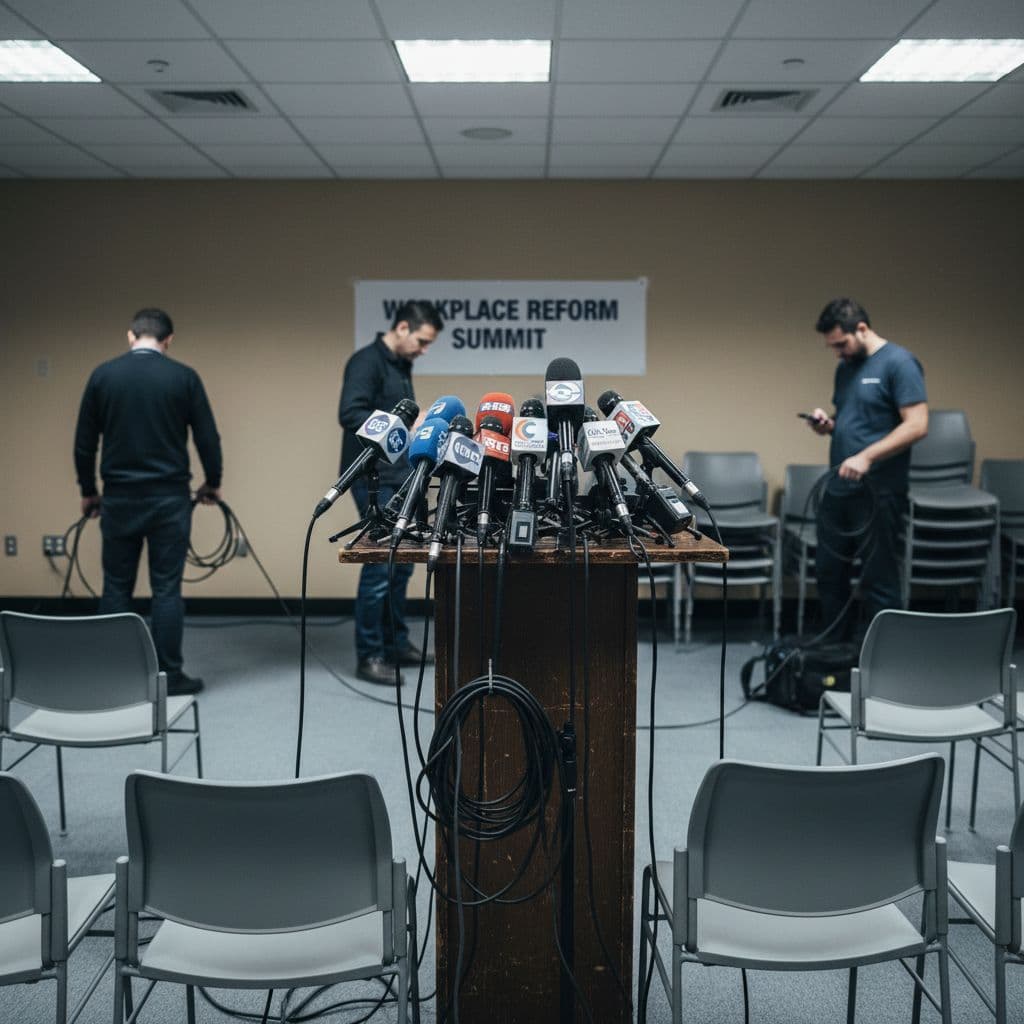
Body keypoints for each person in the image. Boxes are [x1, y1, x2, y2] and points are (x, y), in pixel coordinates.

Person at [74, 309, 222, 695]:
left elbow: (84, 442)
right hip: (170, 499)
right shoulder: (183, 377)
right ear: (168, 340)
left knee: (116, 587)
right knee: (167, 589)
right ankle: (169, 676)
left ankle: (117, 675)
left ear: (130, 336)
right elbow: (208, 437)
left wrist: (88, 491)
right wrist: (213, 483)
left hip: (120, 498)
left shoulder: (103, 376)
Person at [805, 298, 928, 640]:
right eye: (832, 347)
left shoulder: (899, 363)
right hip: (839, 488)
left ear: (861, 328)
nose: (838, 353)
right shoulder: (846, 367)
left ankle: (884, 664)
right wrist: (829, 426)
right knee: (829, 574)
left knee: (879, 579)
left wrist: (867, 457)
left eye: (841, 344)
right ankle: (835, 658)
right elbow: (856, 420)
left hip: (879, 492)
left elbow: (917, 425)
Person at [339, 300, 443, 685]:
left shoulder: (402, 364)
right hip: (374, 479)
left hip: (402, 475)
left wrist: (418, 421)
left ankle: (395, 643)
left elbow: (398, 417)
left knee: (402, 566)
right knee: (380, 566)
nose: (424, 349)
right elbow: (350, 413)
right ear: (402, 328)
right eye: (421, 340)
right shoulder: (366, 362)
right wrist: (404, 421)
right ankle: (369, 655)